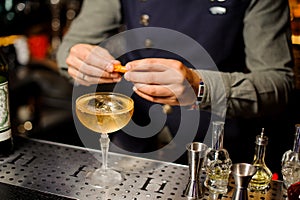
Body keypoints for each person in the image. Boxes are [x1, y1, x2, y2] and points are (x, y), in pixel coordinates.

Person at [56, 0, 295, 174]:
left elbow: (278, 84)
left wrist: (199, 86)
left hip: (217, 150)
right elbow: (72, 47)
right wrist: (79, 59)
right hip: (133, 140)